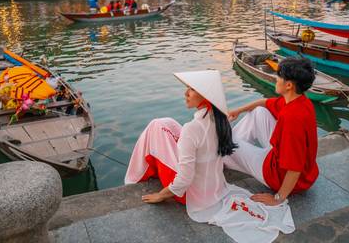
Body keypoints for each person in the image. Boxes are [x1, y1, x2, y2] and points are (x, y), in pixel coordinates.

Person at [125, 70, 294, 242]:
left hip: (190, 195)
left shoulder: (192, 129)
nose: (186, 93)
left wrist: (161, 195)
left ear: (205, 97)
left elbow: (185, 178)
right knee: (165, 123)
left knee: (156, 126)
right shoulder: (221, 120)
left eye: (191, 89)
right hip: (215, 188)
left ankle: (134, 177)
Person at [224, 57, 319, 206]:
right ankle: (228, 153)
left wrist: (278, 198)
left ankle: (225, 152)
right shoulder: (300, 101)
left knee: (223, 142)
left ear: (288, 85)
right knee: (259, 111)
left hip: (276, 175)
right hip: (290, 165)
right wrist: (239, 110)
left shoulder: (292, 118)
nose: (276, 79)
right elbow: (265, 103)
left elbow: (295, 168)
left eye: (279, 76)